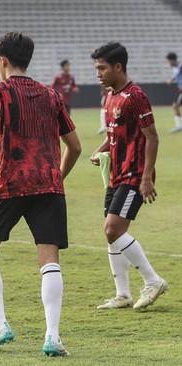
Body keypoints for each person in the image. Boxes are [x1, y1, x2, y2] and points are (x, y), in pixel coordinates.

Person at [0, 32, 81, 356]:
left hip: (12, 182)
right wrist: (57, 175)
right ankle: (53, 337)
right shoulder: (51, 94)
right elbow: (75, 146)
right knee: (49, 258)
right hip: (48, 184)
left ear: (2, 61)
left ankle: (0, 324)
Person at [90, 42, 168, 311]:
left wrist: (147, 178)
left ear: (118, 67)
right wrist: (100, 150)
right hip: (115, 174)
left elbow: (152, 138)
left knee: (113, 229)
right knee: (111, 234)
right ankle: (123, 294)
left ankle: (153, 280)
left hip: (134, 176)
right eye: (97, 68)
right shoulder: (110, 96)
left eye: (102, 68)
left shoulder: (136, 96)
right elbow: (114, 135)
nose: (98, 73)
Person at [165, 52, 182, 133]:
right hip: (180, 90)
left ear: (173, 60)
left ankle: (179, 126)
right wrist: (172, 79)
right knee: (175, 106)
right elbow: (177, 75)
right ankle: (179, 126)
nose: (168, 63)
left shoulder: (180, 67)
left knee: (175, 105)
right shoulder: (176, 68)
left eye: (169, 61)